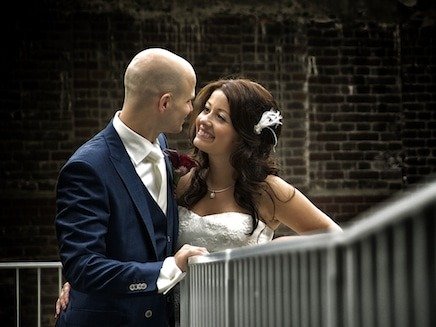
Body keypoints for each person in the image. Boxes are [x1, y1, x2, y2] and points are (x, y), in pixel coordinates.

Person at [56, 78, 342, 319]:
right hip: (177, 315)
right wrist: (82, 282)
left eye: (221, 117)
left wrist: (276, 249)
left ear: (244, 134)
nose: (203, 120)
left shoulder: (269, 190)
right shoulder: (184, 182)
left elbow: (333, 236)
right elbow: (136, 236)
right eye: (206, 109)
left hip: (239, 314)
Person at [54, 48, 209, 327]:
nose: (191, 110)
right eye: (188, 101)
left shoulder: (160, 145)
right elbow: (82, 266)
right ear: (164, 103)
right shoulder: (87, 167)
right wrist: (169, 268)